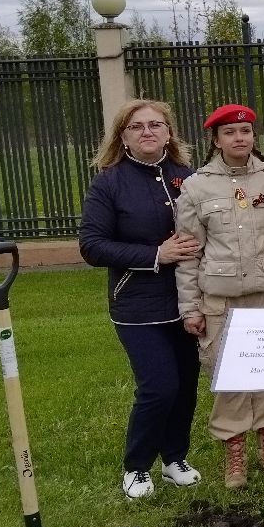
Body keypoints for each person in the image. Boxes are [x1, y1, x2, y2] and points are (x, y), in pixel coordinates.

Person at [79, 98, 202, 499]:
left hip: (188, 300)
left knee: (185, 386)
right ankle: (137, 466)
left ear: (169, 133)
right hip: (137, 304)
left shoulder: (188, 177)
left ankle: (174, 458)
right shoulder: (109, 182)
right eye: (136, 127)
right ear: (123, 137)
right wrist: (156, 254)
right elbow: (92, 246)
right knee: (159, 387)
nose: (147, 132)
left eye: (155, 125)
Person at [175, 103, 264, 489]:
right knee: (230, 379)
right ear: (216, 140)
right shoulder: (197, 187)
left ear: (254, 136)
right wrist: (190, 308)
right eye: (229, 133)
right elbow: (188, 253)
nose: (239, 138)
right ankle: (235, 457)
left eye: (245, 131)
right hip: (222, 302)